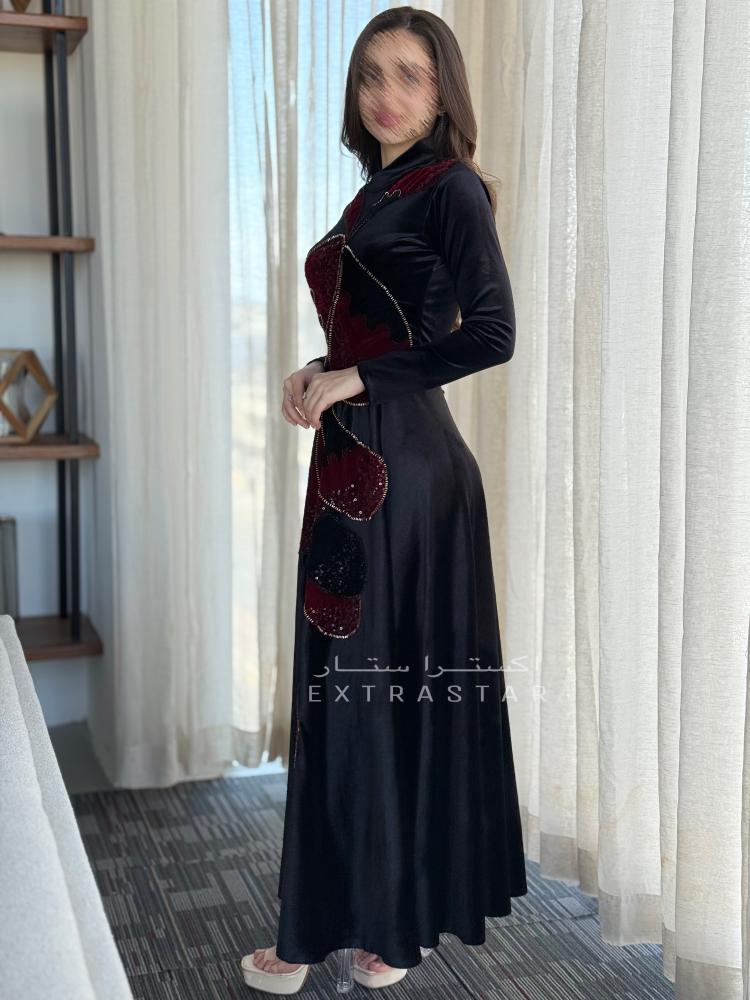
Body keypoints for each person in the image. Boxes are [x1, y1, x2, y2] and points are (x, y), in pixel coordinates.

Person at [241, 6, 527, 994]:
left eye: (409, 74)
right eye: (370, 74)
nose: (385, 94)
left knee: (378, 698)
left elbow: (491, 333)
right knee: (340, 694)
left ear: (443, 90)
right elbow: (379, 330)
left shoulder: (450, 187)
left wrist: (354, 380)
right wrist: (320, 368)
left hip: (411, 479)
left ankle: (388, 927)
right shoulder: (374, 193)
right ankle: (327, 920)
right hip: (350, 468)